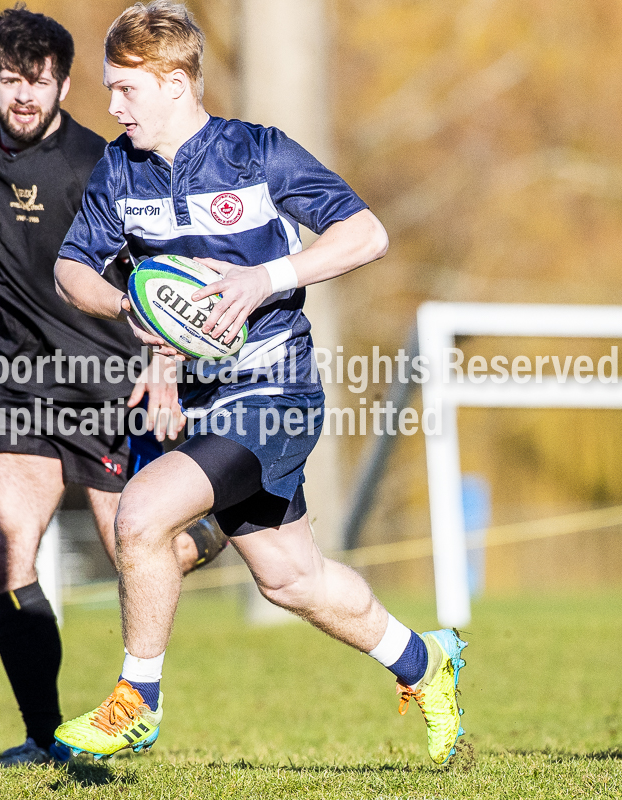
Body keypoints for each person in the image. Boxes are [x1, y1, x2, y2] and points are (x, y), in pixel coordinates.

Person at [53, 1, 468, 766]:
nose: (111, 106)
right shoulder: (119, 168)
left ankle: (137, 699)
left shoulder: (257, 154)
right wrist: (129, 308)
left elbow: (366, 234)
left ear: (176, 83)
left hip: (274, 392)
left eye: (125, 89)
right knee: (291, 578)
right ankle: (426, 662)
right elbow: (70, 267)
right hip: (206, 404)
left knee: (141, 518)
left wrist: (264, 278)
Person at [0, 6, 226, 766]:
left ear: (62, 82)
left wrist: (164, 361)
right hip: (20, 381)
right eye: (10, 80)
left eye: (40, 80)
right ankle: (43, 735)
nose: (24, 95)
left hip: (109, 382)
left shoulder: (105, 163)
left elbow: (159, 271)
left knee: (140, 550)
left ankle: (201, 534)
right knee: (5, 541)